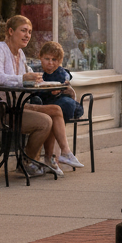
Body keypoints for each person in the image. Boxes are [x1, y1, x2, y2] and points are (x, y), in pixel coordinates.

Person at [0, 15, 68, 179]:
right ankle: (27, 162)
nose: (27, 35)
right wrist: (23, 78)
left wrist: (37, 81)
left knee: (54, 110)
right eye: (23, 31)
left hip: (14, 106)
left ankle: (55, 156)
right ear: (10, 31)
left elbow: (24, 81)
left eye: (30, 32)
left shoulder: (21, 54)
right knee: (45, 121)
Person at [31, 41, 85, 170]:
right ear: (40, 57)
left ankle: (51, 158)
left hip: (62, 105)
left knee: (60, 108)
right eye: (47, 59)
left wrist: (59, 89)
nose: (50, 63)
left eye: (54, 60)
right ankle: (54, 158)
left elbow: (64, 81)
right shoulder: (36, 73)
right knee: (51, 113)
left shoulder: (61, 73)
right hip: (44, 105)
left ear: (60, 61)